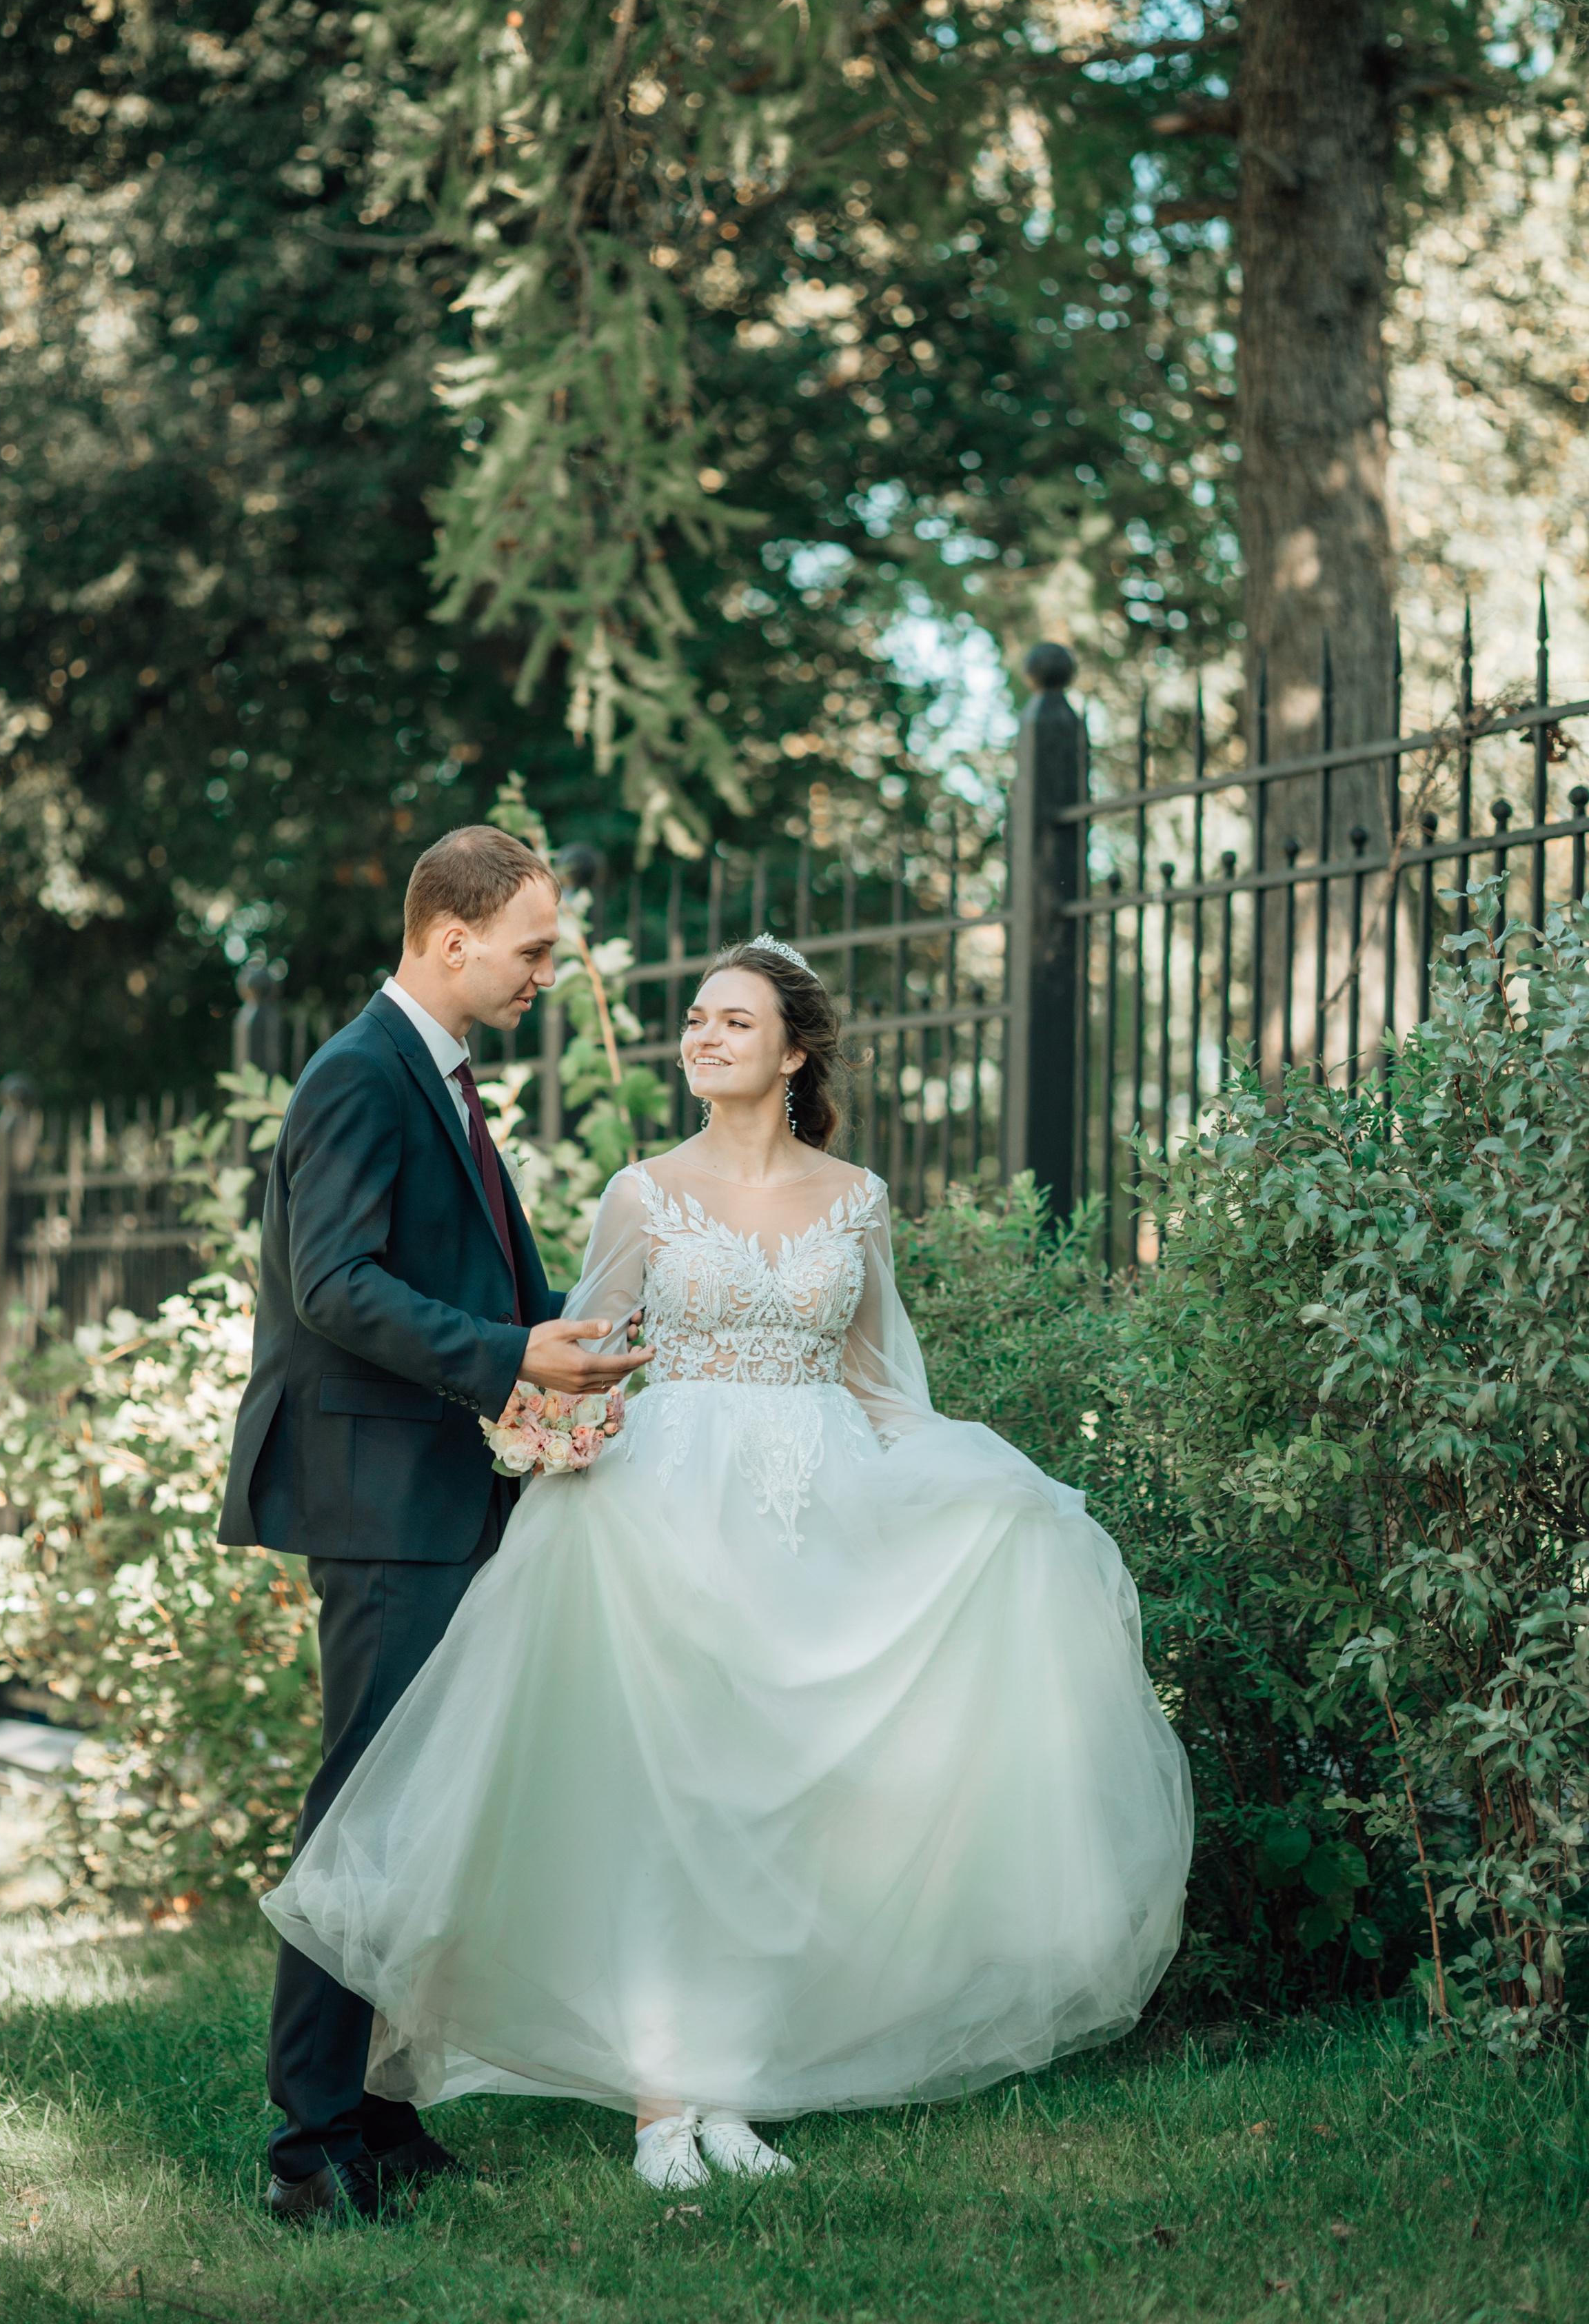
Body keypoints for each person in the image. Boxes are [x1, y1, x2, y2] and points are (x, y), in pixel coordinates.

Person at [261, 933, 1193, 2192]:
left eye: (733, 1022)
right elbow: (586, 1346)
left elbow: (874, 1376)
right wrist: (556, 1418)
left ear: (794, 1051)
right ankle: (663, 2105)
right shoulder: (643, 1194)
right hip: (660, 1507)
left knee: (780, 1798)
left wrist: (987, 1482)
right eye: (696, 1019)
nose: (701, 1036)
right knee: (675, 1793)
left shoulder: (854, 1198)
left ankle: (736, 2086)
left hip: (808, 1505)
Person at [219, 824, 651, 2221]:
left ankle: (380, 2116)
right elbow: (333, 1285)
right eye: (530, 950)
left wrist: (538, 1337)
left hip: (432, 1482)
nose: (544, 973)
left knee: (417, 1816)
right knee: (364, 1814)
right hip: (378, 1495)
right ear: (448, 938)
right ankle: (308, 2151)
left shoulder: (434, 1073)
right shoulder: (358, 1074)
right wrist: (512, 1356)